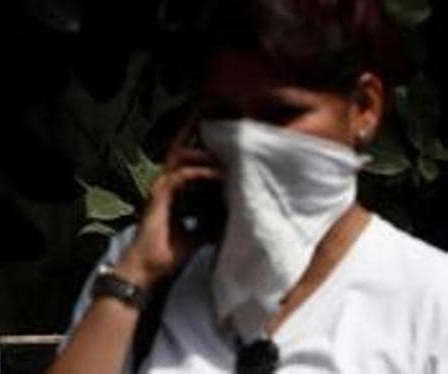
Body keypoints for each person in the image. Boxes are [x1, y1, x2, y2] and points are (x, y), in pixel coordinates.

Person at [47, 0, 448, 373]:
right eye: (225, 116)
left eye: (281, 113)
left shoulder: (429, 299)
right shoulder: (141, 271)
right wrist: (134, 274)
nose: (246, 140)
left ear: (364, 107)